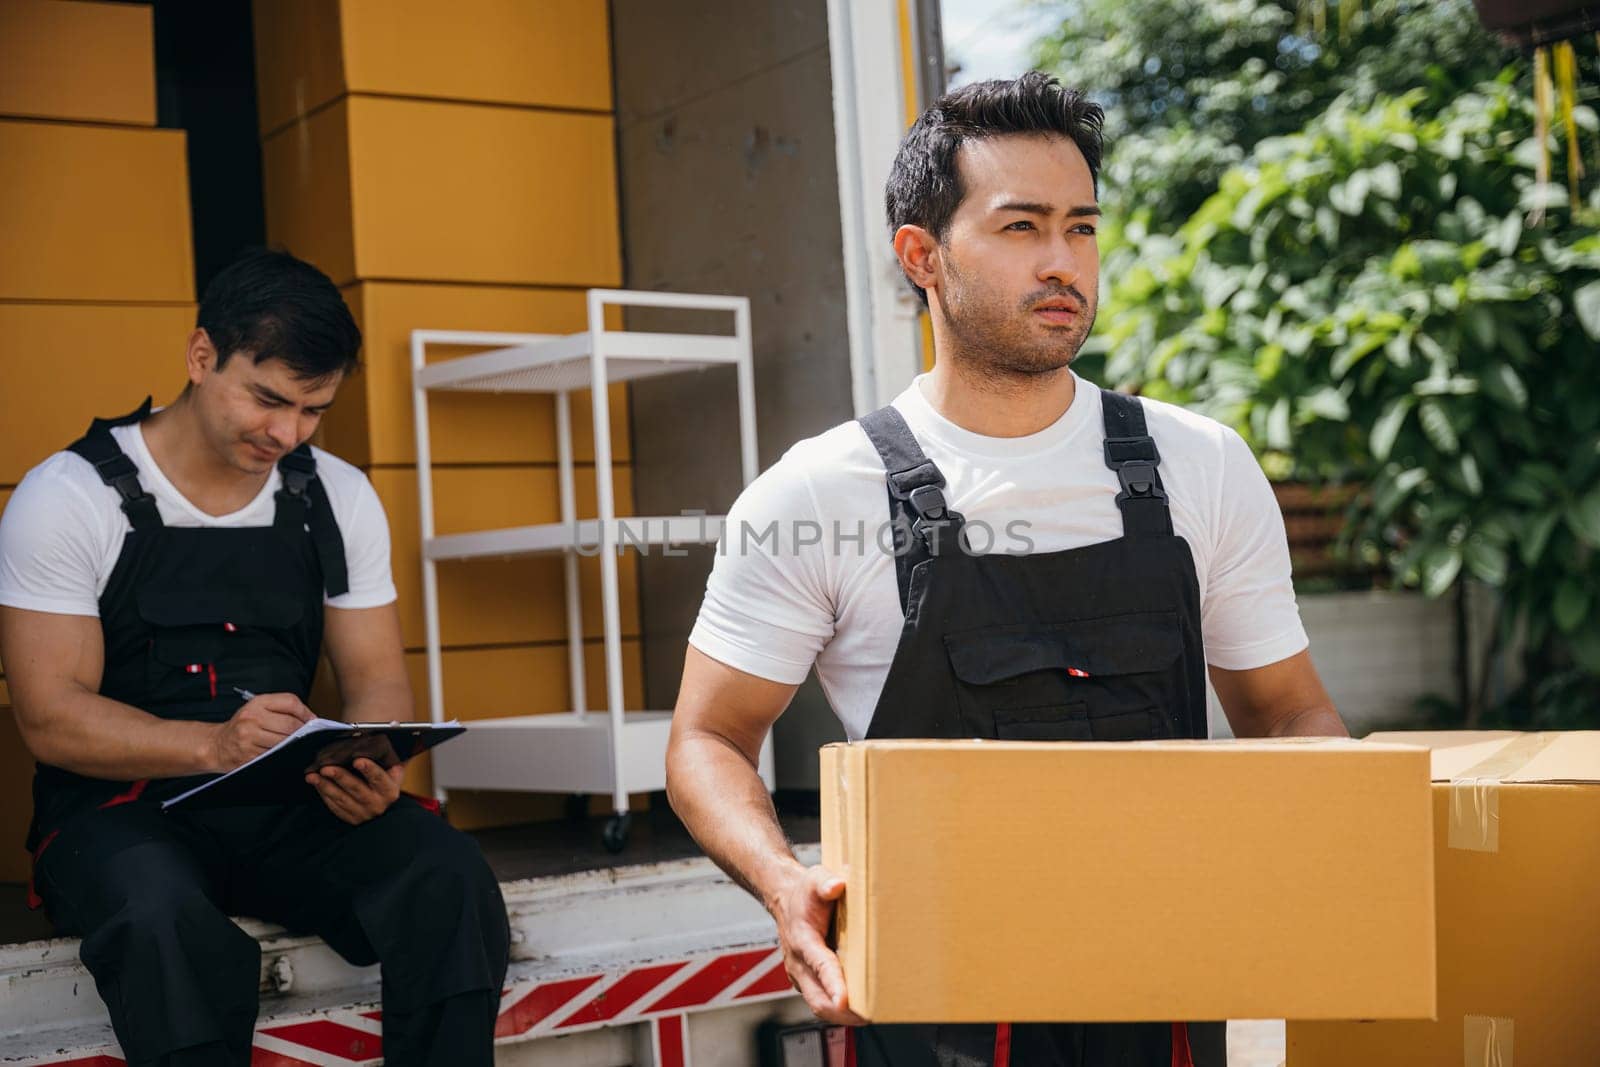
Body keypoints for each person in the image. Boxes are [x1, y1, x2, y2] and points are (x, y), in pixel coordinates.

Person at [665, 72, 1347, 1067]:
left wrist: (1342, 842)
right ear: (921, 256)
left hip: (1161, 999)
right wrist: (784, 882)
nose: (1063, 261)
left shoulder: (1200, 463)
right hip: (934, 1005)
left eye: (1081, 227)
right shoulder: (816, 493)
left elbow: (1289, 710)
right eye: (1021, 227)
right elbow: (708, 737)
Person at [0, 249, 510, 1066]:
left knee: (448, 875)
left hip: (290, 804)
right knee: (160, 918)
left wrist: (370, 757)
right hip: (125, 818)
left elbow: (376, 677)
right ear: (201, 357)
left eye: (313, 410)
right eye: (268, 398)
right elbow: (50, 717)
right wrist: (211, 745)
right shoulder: (69, 496)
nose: (287, 432)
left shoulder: (336, 496)